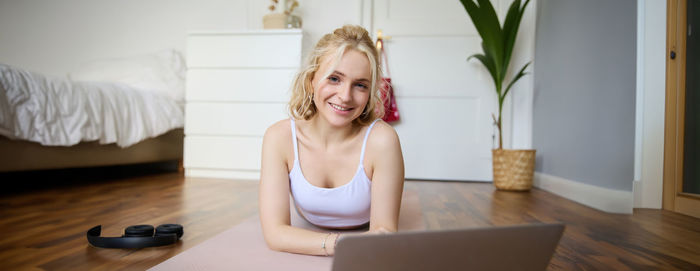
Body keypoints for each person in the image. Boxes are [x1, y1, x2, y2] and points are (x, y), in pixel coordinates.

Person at [259, 25, 405, 256]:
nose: (345, 96)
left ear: (369, 93)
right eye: (335, 78)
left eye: (360, 85)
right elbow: (275, 233)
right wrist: (339, 245)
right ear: (311, 81)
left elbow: (384, 232)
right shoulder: (279, 137)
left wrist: (319, 243)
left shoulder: (382, 140)